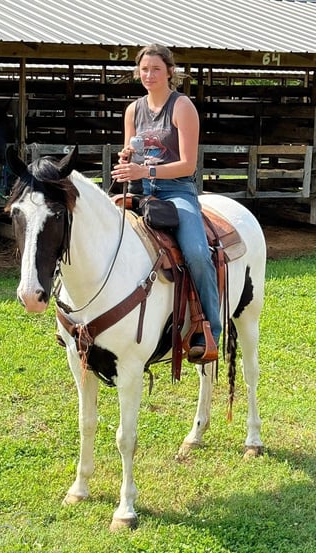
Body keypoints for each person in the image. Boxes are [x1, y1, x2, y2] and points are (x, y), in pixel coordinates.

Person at [111, 43, 220, 362]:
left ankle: (210, 327)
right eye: (144, 69)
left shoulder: (182, 106)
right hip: (143, 190)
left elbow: (188, 165)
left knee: (198, 254)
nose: (149, 75)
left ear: (170, 72)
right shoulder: (133, 110)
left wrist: (145, 168)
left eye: (156, 69)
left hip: (177, 192)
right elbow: (131, 150)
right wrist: (127, 159)